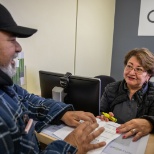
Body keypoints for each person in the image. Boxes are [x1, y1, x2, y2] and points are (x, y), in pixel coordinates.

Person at [0, 4, 106, 154]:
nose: (19, 48)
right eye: (12, 40)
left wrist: (62, 113)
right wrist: (68, 147)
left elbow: (26, 99)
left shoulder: (5, 86)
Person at [98, 48, 154, 141]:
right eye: (129, 66)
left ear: (148, 76)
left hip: (138, 140)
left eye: (139, 69)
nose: (131, 72)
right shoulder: (111, 88)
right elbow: (100, 111)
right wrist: (103, 117)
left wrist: (150, 123)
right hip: (112, 137)